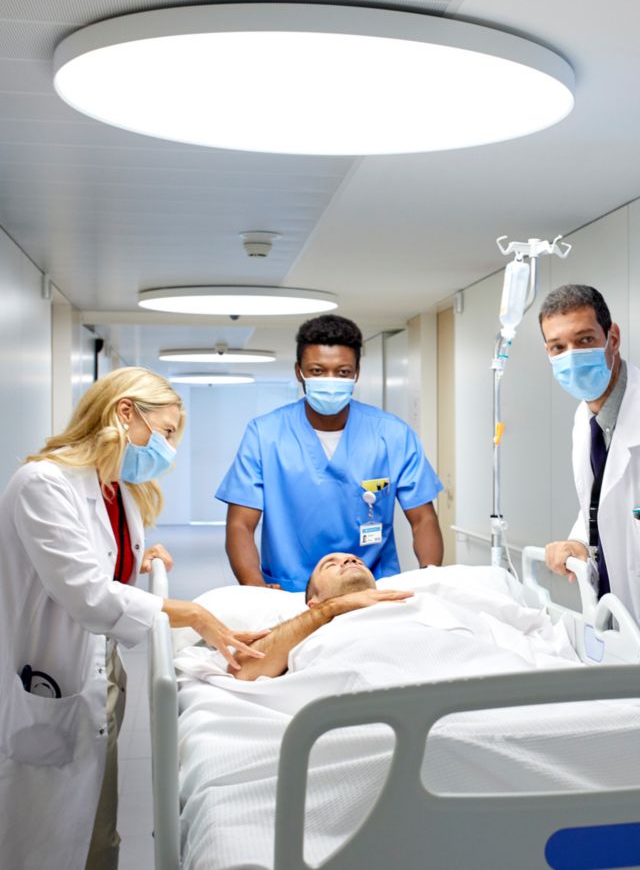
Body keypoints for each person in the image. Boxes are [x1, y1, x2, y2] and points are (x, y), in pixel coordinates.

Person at [0, 367, 265, 870]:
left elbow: (91, 559)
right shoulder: (44, 483)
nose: (169, 448)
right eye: (165, 432)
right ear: (126, 413)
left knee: (98, 814)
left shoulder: (113, 488)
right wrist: (193, 615)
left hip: (102, 670)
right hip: (52, 674)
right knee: (49, 829)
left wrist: (131, 557)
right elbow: (87, 594)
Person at [216, 314, 444, 592]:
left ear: (357, 373)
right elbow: (240, 525)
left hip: (373, 586)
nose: (330, 379)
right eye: (317, 371)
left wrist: (430, 581)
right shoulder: (265, 434)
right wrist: (256, 589)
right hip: (290, 591)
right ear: (299, 371)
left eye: (343, 372)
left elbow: (423, 518)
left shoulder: (392, 434)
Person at [539, 285, 640, 622]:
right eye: (558, 347)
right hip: (616, 617)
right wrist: (579, 542)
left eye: (584, 340)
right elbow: (603, 506)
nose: (571, 356)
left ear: (613, 338)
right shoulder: (584, 421)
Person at [231, 553, 413, 679]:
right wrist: (333, 607)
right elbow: (242, 669)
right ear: (313, 603)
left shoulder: (416, 600)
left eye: (358, 561)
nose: (351, 559)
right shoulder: (302, 632)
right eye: (331, 564)